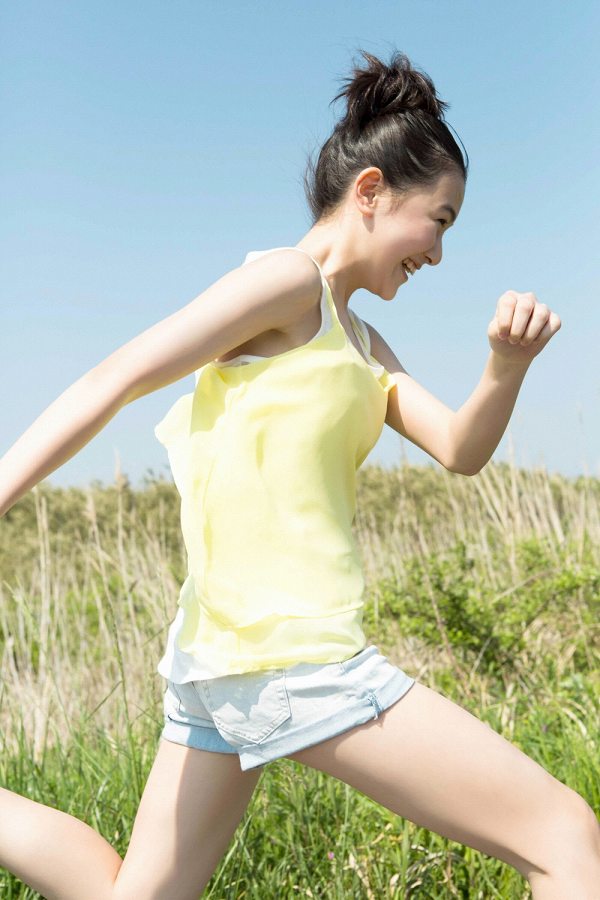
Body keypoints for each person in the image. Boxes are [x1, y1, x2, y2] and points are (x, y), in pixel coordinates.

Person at [0, 47, 597, 900]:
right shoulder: (288, 284)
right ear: (371, 191)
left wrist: (505, 366)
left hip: (228, 657)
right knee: (565, 835)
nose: (439, 250)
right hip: (293, 656)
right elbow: (116, 377)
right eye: (439, 219)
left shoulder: (360, 340)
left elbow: (461, 450)